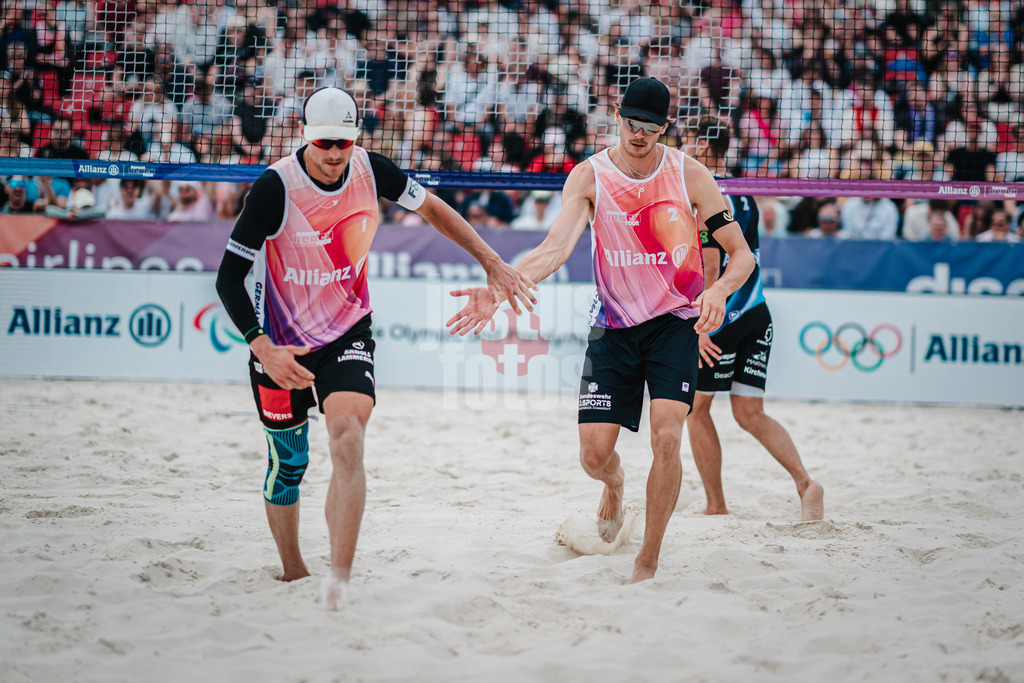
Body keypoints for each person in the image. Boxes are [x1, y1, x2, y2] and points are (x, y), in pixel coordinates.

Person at [215, 87, 535, 610]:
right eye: (324, 143)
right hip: (282, 346)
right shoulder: (276, 187)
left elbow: (433, 208)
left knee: (347, 438)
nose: (334, 153)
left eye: (343, 142)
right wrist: (262, 347)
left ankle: (338, 579)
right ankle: (294, 571)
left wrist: (491, 261)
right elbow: (229, 278)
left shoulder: (372, 169)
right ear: (304, 136)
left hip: (347, 333)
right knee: (287, 463)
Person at [446, 77, 756, 583]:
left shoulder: (689, 174)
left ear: (665, 128)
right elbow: (553, 249)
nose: (639, 134)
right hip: (612, 326)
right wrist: (500, 288)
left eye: (651, 128)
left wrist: (718, 292)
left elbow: (740, 254)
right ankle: (614, 483)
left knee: (667, 439)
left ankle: (647, 559)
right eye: (632, 123)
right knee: (593, 454)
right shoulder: (590, 177)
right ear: (617, 113)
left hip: (674, 323)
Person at [680, 116, 824, 521]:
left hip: (721, 318)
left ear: (705, 148)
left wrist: (702, 326)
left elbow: (710, 266)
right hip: (757, 313)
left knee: (697, 409)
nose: (683, 150)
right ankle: (805, 483)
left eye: (689, 142)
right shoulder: (746, 196)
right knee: (750, 413)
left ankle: (716, 505)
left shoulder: (704, 194)